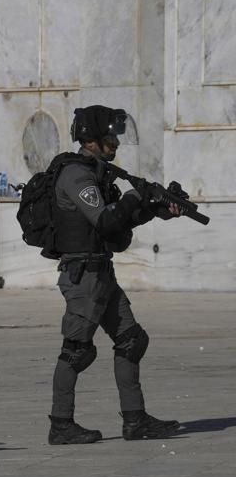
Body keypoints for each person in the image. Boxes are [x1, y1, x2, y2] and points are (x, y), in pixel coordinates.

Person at [46, 105, 181, 445]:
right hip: (84, 278)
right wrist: (139, 195)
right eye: (109, 138)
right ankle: (61, 424)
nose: (115, 144)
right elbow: (105, 220)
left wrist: (156, 208)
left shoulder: (98, 173)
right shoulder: (77, 176)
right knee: (77, 350)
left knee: (132, 340)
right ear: (89, 139)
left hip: (101, 271)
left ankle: (135, 420)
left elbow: (117, 223)